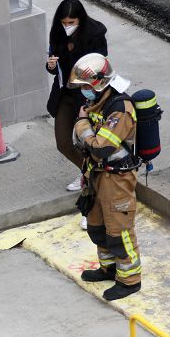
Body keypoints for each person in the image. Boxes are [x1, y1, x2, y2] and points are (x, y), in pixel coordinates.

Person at [70, 53, 142, 301]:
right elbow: (88, 144)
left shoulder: (120, 109)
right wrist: (86, 133)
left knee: (119, 231)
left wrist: (82, 125)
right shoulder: (97, 104)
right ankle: (108, 269)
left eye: (85, 87)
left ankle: (130, 280)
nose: (83, 93)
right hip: (97, 174)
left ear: (99, 83)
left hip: (117, 179)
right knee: (98, 226)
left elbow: (101, 147)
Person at [46, 0, 108, 191]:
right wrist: (51, 66)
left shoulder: (95, 35)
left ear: (80, 20)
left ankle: (95, 179)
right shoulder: (57, 34)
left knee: (87, 142)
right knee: (64, 143)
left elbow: (102, 66)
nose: (67, 27)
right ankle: (89, 173)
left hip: (87, 96)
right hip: (65, 94)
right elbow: (55, 69)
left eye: (71, 23)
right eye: (64, 23)